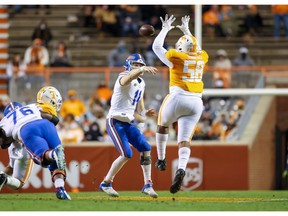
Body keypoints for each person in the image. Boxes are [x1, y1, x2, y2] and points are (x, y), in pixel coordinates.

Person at [152, 14, 209, 194]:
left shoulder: (176, 57)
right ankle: (182, 168)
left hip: (178, 97)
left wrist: (166, 29)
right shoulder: (202, 57)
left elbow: (156, 47)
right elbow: (196, 47)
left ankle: (161, 159)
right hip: (196, 102)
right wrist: (187, 31)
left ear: (180, 48)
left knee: (162, 125)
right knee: (184, 141)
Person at [99, 53, 158, 198]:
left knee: (146, 148)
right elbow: (128, 78)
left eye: (140, 65)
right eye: (135, 65)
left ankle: (148, 185)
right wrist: (142, 69)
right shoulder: (123, 77)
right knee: (127, 154)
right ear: (129, 66)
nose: (137, 67)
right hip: (114, 121)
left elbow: (138, 110)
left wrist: (145, 113)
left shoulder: (141, 83)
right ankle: (106, 183)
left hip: (128, 122)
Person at [0, 86, 71, 200]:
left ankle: (53, 154)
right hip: (47, 125)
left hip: (27, 130)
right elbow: (53, 118)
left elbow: (4, 143)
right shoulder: (32, 106)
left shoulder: (6, 120)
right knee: (58, 162)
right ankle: (60, 188)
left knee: (44, 158)